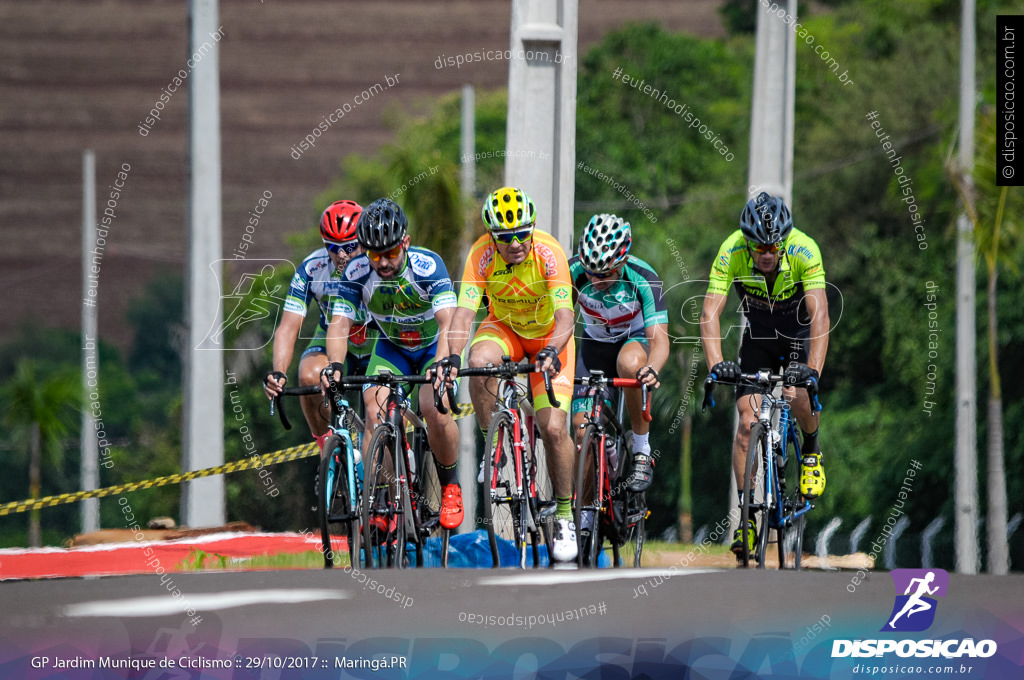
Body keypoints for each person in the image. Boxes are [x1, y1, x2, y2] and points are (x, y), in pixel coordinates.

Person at [443, 186, 579, 563]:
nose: (516, 242)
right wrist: (453, 358)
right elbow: (465, 314)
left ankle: (565, 515)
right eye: (506, 237)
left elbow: (567, 316)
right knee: (478, 358)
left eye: (522, 233)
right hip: (504, 330)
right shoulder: (480, 255)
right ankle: (495, 449)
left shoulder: (549, 253)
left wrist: (552, 350)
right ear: (492, 237)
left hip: (550, 339)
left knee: (553, 430)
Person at [699, 191, 830, 559]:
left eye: (774, 246)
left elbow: (820, 316)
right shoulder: (731, 251)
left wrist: (813, 372)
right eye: (760, 247)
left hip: (795, 339)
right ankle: (746, 517)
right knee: (746, 424)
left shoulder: (805, 250)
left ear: (785, 240)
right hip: (756, 340)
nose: (768, 253)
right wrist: (716, 365)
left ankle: (810, 449)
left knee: (800, 394)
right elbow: (710, 312)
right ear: (747, 241)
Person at [324, 198, 464, 531]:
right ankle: (387, 496)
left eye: (390, 253)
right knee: (375, 411)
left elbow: (448, 321)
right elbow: (340, 324)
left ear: (405, 243)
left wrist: (444, 362)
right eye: (375, 255)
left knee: (435, 407)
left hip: (432, 347)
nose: (383, 262)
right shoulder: (357, 271)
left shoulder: (428, 266)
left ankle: (450, 486)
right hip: (392, 348)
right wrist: (334, 366)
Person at [567, 213, 668, 513]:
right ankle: (584, 518)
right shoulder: (573, 271)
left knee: (630, 363)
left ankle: (640, 448)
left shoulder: (643, 278)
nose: (596, 281)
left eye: (605, 274)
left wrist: (653, 369)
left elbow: (660, 340)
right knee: (581, 431)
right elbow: (559, 321)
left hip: (633, 342)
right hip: (594, 347)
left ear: (622, 263)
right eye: (591, 273)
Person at [262, 200, 372, 443]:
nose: (342, 255)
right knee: (310, 377)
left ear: (363, 241)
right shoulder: (312, 269)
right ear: (325, 245)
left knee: (380, 403)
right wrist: (279, 371)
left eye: (351, 246)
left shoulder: (378, 264)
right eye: (334, 247)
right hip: (331, 337)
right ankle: (327, 448)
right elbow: (288, 328)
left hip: (376, 341)